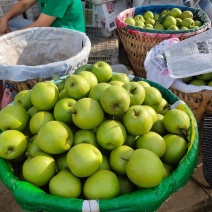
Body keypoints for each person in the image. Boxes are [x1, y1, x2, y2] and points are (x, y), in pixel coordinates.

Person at [0, 0, 85, 35]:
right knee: (11, 21)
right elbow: (24, 3)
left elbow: (41, 24)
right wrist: (4, 19)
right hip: (50, 28)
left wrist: (10, 36)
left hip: (67, 37)